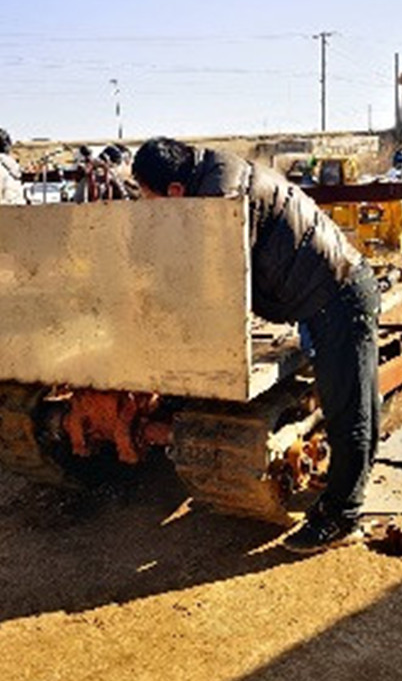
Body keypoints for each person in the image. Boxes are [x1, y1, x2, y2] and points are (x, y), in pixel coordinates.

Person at [131, 137, 380, 555]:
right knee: (349, 402)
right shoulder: (209, 178)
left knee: (349, 410)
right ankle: (346, 494)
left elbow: (217, 284)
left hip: (338, 296)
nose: (148, 207)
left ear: (174, 190)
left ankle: (342, 517)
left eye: (149, 198)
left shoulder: (219, 201)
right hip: (319, 296)